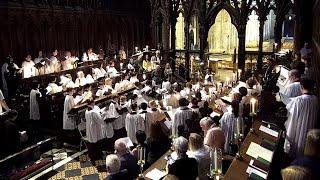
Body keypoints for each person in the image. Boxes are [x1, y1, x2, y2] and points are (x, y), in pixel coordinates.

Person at [284, 78, 318, 157]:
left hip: (298, 133)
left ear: (301, 87)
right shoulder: (315, 99)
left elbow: (292, 121)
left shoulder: (298, 100)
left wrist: (288, 141)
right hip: (310, 132)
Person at [85, 99, 104, 164]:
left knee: (91, 142)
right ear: (93, 103)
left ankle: (92, 156)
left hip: (90, 128)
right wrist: (101, 113)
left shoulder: (87, 110)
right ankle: (97, 156)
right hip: (95, 129)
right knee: (96, 142)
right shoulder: (93, 112)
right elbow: (100, 120)